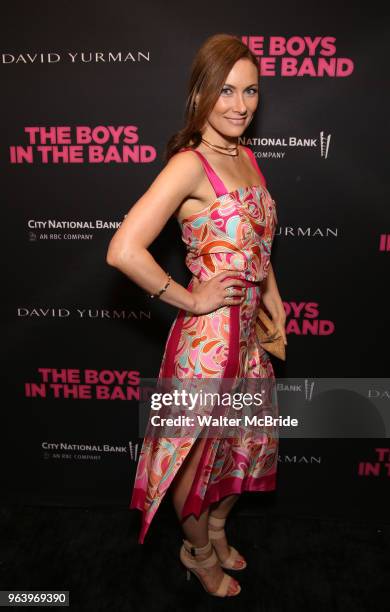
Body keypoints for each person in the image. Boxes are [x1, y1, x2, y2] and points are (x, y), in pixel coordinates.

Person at [106, 32, 287, 598]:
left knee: (247, 443)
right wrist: (191, 297)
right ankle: (198, 551)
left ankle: (214, 527)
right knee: (191, 465)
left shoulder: (246, 154)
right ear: (201, 94)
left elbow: (256, 240)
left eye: (250, 91)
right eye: (226, 91)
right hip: (207, 343)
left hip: (249, 337)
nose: (240, 105)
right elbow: (123, 249)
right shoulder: (189, 165)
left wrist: (271, 296)